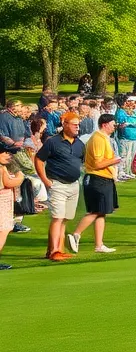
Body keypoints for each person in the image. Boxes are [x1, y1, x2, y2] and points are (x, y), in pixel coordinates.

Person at [35, 110, 85, 261]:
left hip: (74, 185)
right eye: (74, 124)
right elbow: (38, 159)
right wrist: (45, 180)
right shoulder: (53, 142)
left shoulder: (80, 144)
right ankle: (55, 251)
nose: (77, 127)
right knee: (57, 218)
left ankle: (56, 249)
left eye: (78, 125)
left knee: (65, 219)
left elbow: (80, 162)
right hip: (57, 184)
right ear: (65, 124)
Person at [68, 113, 120, 255]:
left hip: (103, 178)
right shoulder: (98, 138)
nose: (114, 127)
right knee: (96, 211)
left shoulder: (103, 138)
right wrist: (115, 161)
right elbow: (97, 163)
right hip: (98, 178)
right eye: (112, 124)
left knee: (102, 212)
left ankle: (99, 245)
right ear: (105, 124)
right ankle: (76, 234)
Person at [0, 143, 25, 269]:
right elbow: (9, 182)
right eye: (5, 152)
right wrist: (20, 176)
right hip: (2, 203)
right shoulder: (1, 168)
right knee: (3, 230)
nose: (9, 155)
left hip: (4, 202)